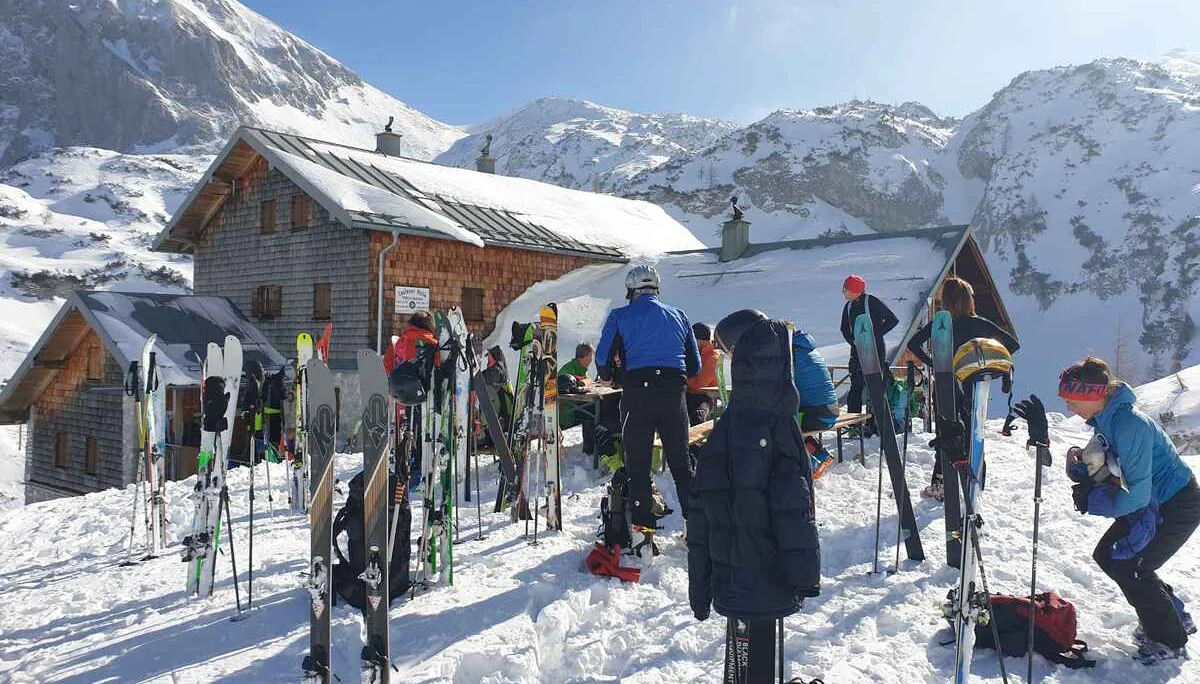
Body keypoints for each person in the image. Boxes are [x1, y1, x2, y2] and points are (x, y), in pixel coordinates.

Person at [1012, 358, 1199, 663]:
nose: (1070, 408)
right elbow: (1107, 463)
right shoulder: (1109, 419)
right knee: (1110, 556)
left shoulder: (1128, 424)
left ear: (1092, 395)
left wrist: (1094, 501)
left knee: (1132, 566)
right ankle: (1173, 616)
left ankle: (1170, 640)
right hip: (1153, 503)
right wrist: (1081, 472)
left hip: (1176, 503)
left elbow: (1136, 496)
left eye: (1071, 400)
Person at [688, 312, 820, 677]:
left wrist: (700, 588)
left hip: (736, 580)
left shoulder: (731, 430)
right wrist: (803, 577)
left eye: (728, 355)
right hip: (773, 578)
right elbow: (796, 508)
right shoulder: (781, 422)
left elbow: (702, 517)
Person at [596, 265, 701, 547]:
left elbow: (603, 359)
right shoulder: (679, 315)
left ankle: (644, 538)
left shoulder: (620, 315)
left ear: (631, 291)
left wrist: (611, 377)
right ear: (657, 289)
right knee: (682, 465)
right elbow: (695, 366)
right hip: (672, 393)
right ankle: (696, 529)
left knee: (639, 467)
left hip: (637, 394)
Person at [907, 276, 1020, 499]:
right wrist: (991, 363)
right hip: (974, 384)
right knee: (973, 434)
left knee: (947, 434)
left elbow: (913, 344)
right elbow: (1012, 345)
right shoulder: (980, 323)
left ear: (946, 301)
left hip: (946, 385)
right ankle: (976, 484)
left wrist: (935, 364)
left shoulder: (941, 324)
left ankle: (941, 487)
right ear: (969, 300)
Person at [839, 275, 898, 428]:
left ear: (854, 290)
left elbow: (892, 320)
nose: (843, 292)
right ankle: (853, 424)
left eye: (845, 289)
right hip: (857, 352)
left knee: (875, 387)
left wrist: (874, 335)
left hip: (875, 351)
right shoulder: (849, 306)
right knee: (856, 387)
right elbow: (844, 328)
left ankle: (875, 423)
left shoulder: (872, 302)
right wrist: (853, 341)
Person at [793, 326, 839, 477]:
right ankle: (822, 455)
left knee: (783, 425)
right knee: (793, 420)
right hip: (829, 412)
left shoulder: (794, 357)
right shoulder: (809, 351)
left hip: (818, 415)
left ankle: (812, 465)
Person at [685, 323, 720, 426]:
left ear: (698, 340)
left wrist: (682, 378)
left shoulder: (713, 357)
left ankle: (696, 441)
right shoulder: (694, 352)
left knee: (697, 418)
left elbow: (699, 386)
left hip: (703, 396)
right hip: (687, 394)